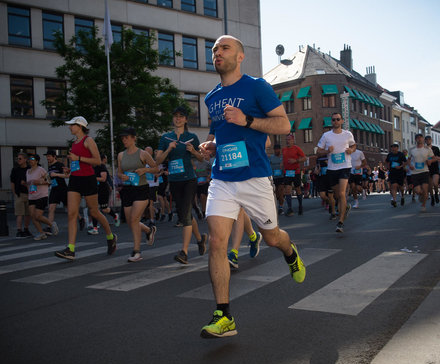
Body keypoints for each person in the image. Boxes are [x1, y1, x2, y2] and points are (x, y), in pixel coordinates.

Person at [199, 35, 305, 338]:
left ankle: (290, 250)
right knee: (217, 242)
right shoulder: (211, 98)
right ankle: (224, 316)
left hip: (255, 176)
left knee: (272, 238)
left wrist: (247, 120)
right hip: (222, 178)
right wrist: (213, 144)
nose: (218, 52)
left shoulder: (257, 86)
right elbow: (222, 133)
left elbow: (284, 126)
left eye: (224, 48)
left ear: (240, 56)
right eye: (215, 50)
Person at [54, 116, 117, 260]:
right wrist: (70, 170)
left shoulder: (88, 140)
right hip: (75, 180)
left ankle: (110, 236)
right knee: (72, 213)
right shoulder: (74, 143)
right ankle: (70, 249)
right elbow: (77, 162)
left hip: (88, 180)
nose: (70, 127)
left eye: (72, 125)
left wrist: (79, 159)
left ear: (80, 126)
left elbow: (97, 161)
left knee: (94, 212)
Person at [157, 106, 207, 265]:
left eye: (181, 116)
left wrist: (193, 151)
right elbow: (158, 160)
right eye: (175, 116)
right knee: (185, 214)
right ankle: (200, 239)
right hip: (174, 180)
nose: (178, 119)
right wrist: (168, 150)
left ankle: (184, 252)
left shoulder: (192, 137)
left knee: (185, 214)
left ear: (186, 119)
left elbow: (201, 158)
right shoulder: (166, 138)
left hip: (189, 180)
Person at [117, 128, 157, 262]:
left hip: (141, 188)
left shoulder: (143, 154)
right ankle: (148, 231)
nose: (124, 140)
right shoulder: (121, 155)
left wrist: (144, 169)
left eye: (127, 138)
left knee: (134, 219)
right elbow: (119, 172)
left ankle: (136, 251)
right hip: (128, 189)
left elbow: (156, 168)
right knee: (130, 222)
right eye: (123, 138)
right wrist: (122, 177)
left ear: (134, 138)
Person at [316, 112, 355, 233]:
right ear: (331, 122)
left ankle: (341, 222)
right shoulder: (326, 136)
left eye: (338, 119)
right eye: (333, 120)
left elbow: (354, 146)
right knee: (338, 195)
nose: (336, 121)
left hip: (345, 166)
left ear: (342, 121)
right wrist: (327, 150)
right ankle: (346, 207)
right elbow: (318, 151)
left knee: (342, 193)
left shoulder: (347, 134)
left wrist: (351, 150)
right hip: (332, 169)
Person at [25, 154, 59, 240]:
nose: (30, 160)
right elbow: (29, 183)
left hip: (41, 195)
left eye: (32, 159)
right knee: (33, 216)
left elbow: (49, 181)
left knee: (38, 216)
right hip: (32, 196)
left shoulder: (41, 170)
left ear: (37, 161)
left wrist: (39, 182)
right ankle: (41, 233)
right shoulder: (27, 171)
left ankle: (51, 224)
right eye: (29, 159)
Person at [88, 154, 120, 235]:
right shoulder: (91, 167)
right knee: (94, 209)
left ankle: (115, 216)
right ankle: (95, 228)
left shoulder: (102, 166)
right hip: (94, 189)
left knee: (104, 209)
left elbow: (103, 179)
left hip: (103, 189)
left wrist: (93, 178)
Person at [44, 151, 68, 235]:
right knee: (51, 208)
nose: (47, 158)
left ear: (54, 156)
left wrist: (56, 175)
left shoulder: (60, 165)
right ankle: (49, 227)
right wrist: (48, 180)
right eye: (47, 157)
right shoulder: (50, 167)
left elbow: (67, 175)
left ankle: (80, 219)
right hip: (54, 189)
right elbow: (50, 177)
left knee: (69, 207)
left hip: (62, 188)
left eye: (49, 156)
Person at [408, 134, 434, 212]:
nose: (419, 139)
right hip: (415, 173)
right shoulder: (411, 149)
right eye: (417, 138)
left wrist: (430, 161)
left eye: (420, 138)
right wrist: (410, 165)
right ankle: (422, 195)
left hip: (424, 172)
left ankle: (423, 205)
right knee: (417, 190)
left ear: (423, 139)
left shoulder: (427, 149)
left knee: (425, 189)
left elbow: (433, 158)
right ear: (415, 140)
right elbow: (408, 159)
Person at [282, 134, 307, 216]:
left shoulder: (297, 148)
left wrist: (295, 161)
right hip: (287, 172)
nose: (287, 141)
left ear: (293, 140)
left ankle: (300, 206)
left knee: (298, 189)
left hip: (296, 172)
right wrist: (282, 165)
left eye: (289, 139)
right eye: (286, 139)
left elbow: (304, 158)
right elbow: (284, 159)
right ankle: (290, 209)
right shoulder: (284, 149)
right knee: (287, 190)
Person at [10, 152, 32, 238]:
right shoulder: (15, 170)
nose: (18, 160)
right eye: (17, 159)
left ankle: (26, 229)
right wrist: (14, 192)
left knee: (28, 213)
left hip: (29, 194)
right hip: (19, 194)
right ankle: (19, 230)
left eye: (20, 158)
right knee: (19, 213)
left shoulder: (30, 169)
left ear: (25, 159)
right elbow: (12, 182)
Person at [385, 143, 407, 207]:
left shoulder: (401, 154)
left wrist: (400, 166)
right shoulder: (389, 155)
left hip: (400, 172)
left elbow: (405, 163)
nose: (393, 149)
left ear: (397, 148)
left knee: (401, 187)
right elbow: (387, 161)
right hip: (392, 172)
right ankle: (394, 200)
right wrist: (387, 166)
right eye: (392, 147)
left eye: (394, 147)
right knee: (394, 185)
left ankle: (402, 196)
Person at [424, 135, 440, 206]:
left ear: (431, 140)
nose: (428, 141)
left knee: (435, 183)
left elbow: (439, 158)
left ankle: (436, 194)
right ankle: (432, 198)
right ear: (425, 141)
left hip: (435, 168)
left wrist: (432, 160)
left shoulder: (435, 148)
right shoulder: (423, 149)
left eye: (429, 139)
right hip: (426, 169)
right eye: (426, 140)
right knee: (430, 186)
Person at [268, 143, 285, 215]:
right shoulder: (271, 157)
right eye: (275, 150)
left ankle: (281, 207)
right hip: (274, 177)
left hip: (281, 177)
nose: (276, 151)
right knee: (276, 194)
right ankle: (278, 204)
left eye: (277, 149)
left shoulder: (283, 157)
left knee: (280, 191)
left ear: (280, 150)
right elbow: (268, 166)